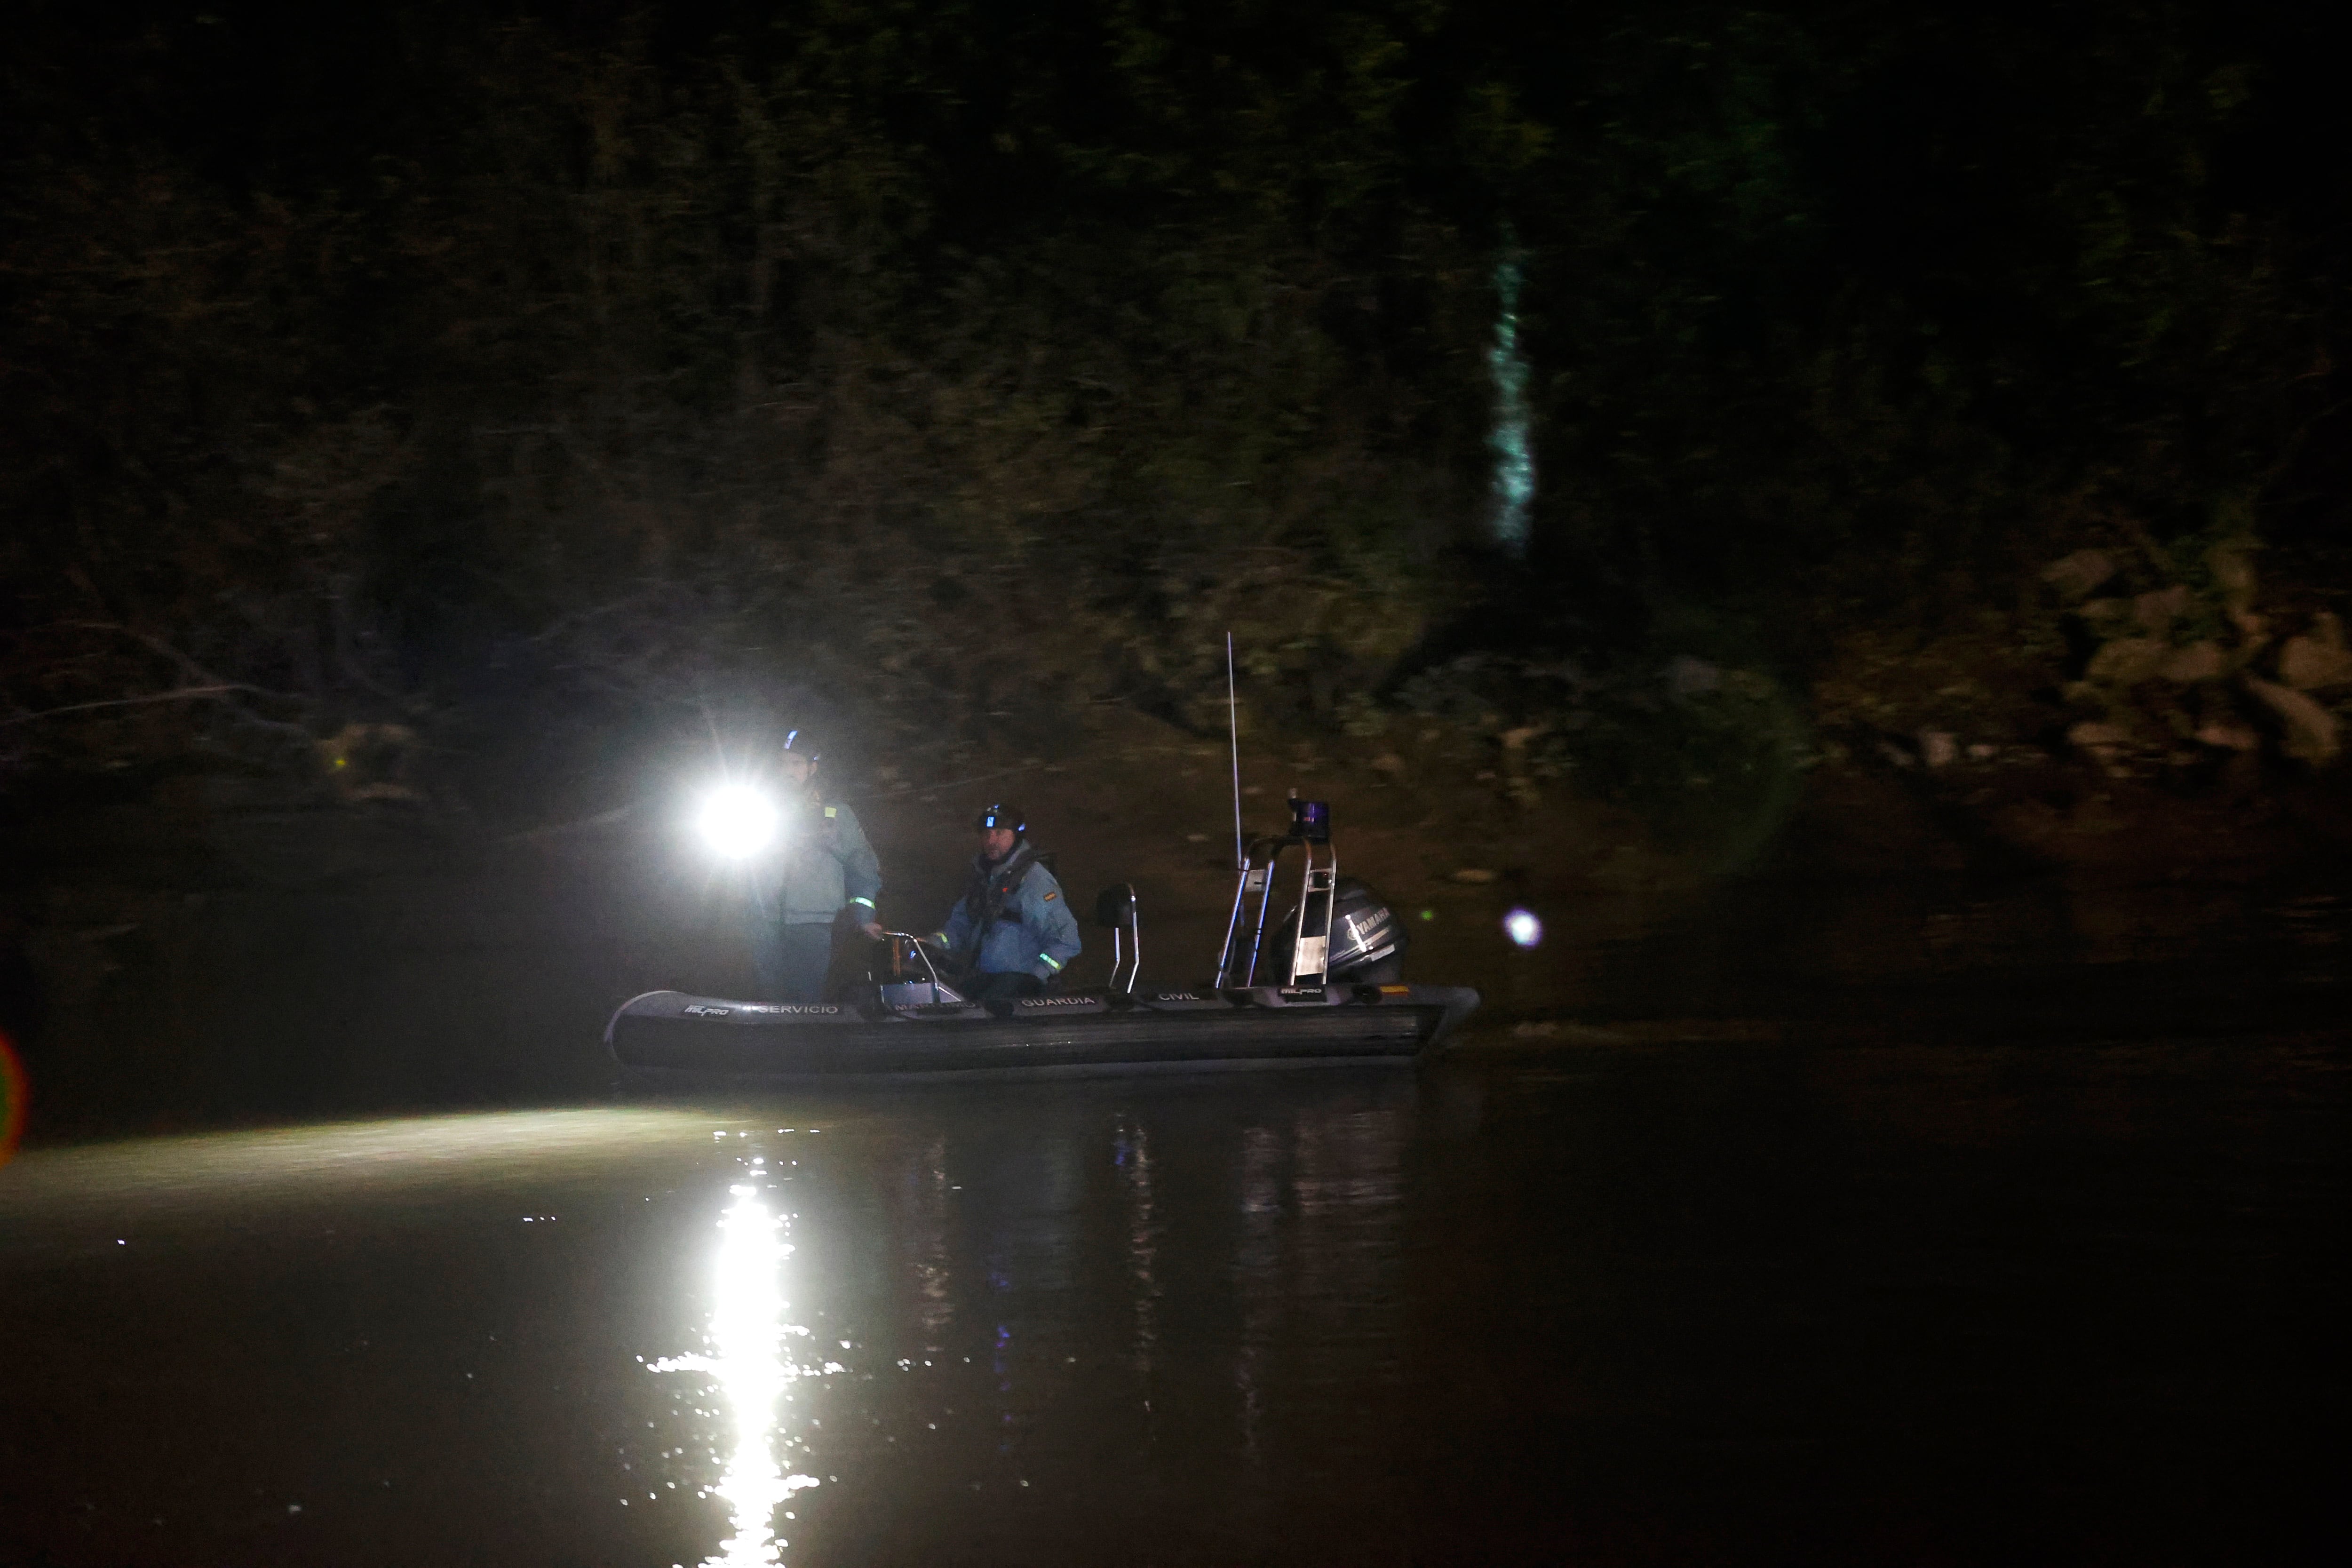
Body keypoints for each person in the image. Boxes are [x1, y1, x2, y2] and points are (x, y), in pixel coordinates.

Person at [751, 729, 883, 1003]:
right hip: (764, 921)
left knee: (806, 1001)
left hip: (814, 924)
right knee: (767, 1000)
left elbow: (863, 866)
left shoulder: (836, 814)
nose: (787, 770)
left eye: (796, 763)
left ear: (813, 768)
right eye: (782, 762)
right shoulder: (757, 809)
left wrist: (863, 917)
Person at [926, 803, 1081, 1002]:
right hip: (986, 980)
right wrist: (930, 945)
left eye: (999, 833)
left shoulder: (1034, 880)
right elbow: (960, 926)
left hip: (1019, 987)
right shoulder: (984, 879)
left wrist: (1036, 976)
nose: (991, 841)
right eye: (986, 834)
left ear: (1016, 836)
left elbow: (1067, 941)